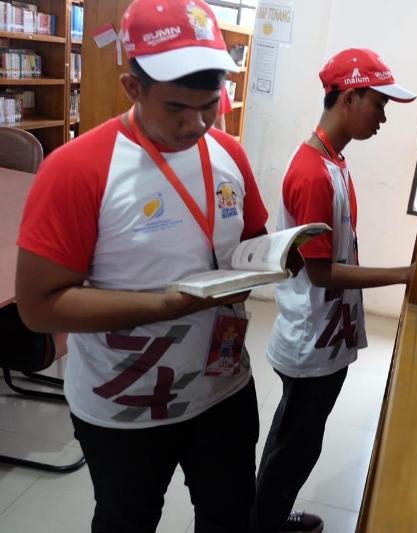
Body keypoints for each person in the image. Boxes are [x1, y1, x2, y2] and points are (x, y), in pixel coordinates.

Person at [15, 1, 268, 531]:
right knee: (127, 519)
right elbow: (39, 308)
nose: (196, 124)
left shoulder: (230, 155)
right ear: (133, 87)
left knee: (230, 514)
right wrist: (169, 304)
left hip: (222, 385)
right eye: (176, 107)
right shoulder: (77, 169)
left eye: (210, 105)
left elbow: (253, 240)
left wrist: (270, 263)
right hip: (125, 403)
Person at [251, 48, 417, 533]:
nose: (383, 117)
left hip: (326, 335)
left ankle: (271, 515)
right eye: (379, 104)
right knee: (293, 445)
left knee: (300, 440)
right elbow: (322, 273)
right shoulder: (312, 172)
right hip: (311, 339)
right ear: (349, 98)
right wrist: (404, 274)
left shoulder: (333, 161)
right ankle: (264, 523)